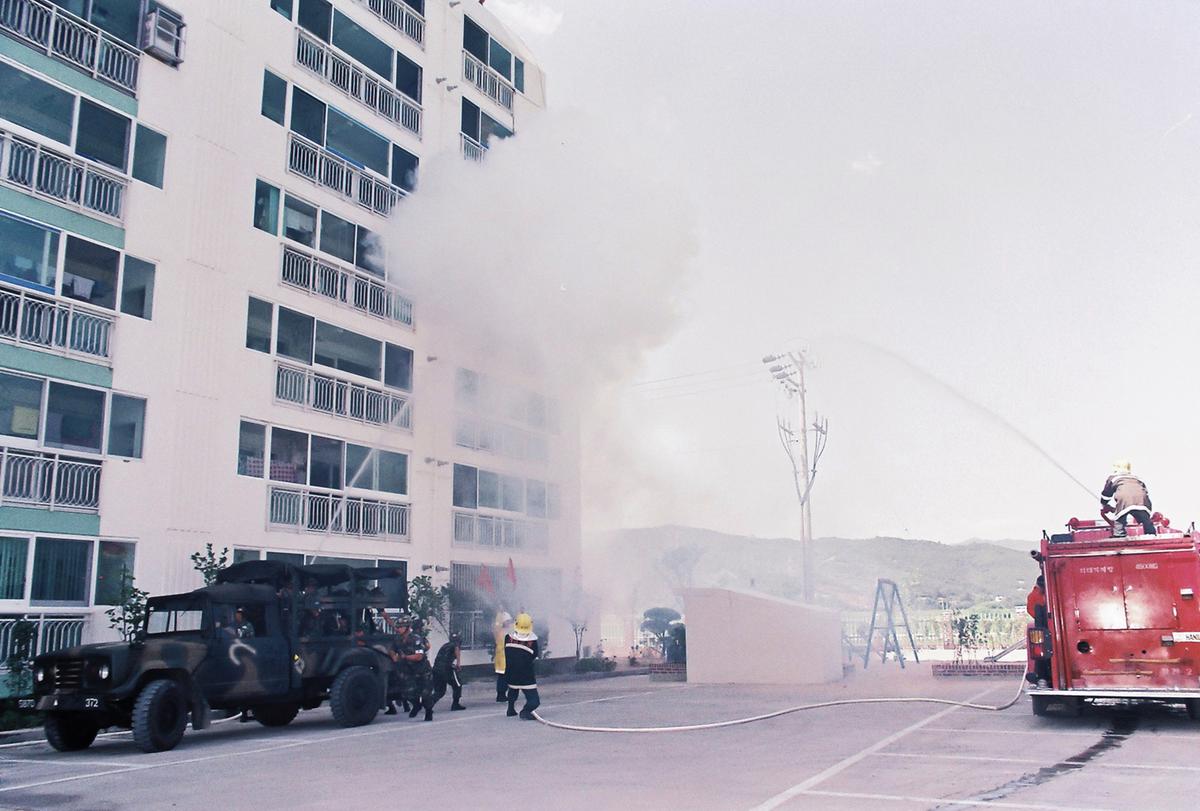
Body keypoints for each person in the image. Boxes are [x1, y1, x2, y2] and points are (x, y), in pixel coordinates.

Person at [1101, 461, 1155, 538]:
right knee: (1145, 518)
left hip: (1124, 499)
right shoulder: (1136, 478)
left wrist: (1104, 504)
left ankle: (1119, 534)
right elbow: (1145, 492)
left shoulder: (1113, 478)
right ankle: (1151, 533)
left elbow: (1106, 494)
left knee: (1120, 517)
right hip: (1142, 500)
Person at [397, 615, 435, 721]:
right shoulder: (399, 639)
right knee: (407, 693)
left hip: (423, 671)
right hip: (410, 671)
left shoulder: (416, 639)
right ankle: (417, 705)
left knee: (425, 694)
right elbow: (393, 649)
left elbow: (419, 656)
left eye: (401, 627)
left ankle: (428, 712)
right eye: (398, 627)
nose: (398, 629)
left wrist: (405, 657)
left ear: (407, 627)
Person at [504, 613, 540, 720]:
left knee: (513, 689)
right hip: (526, 676)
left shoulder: (507, 638)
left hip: (510, 673)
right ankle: (525, 711)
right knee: (534, 701)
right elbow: (534, 655)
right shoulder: (532, 641)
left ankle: (510, 709)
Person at [432, 632, 466, 711]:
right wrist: (458, 664)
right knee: (457, 685)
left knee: (440, 691)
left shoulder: (445, 645)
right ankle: (455, 704)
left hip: (436, 669)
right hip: (446, 669)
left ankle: (429, 704)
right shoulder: (455, 645)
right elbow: (457, 649)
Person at [493, 611, 513, 703]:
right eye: (508, 621)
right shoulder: (502, 632)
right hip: (503, 657)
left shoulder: (504, 631)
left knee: (504, 677)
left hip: (503, 657)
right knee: (503, 677)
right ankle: (501, 695)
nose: (509, 623)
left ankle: (502, 694)